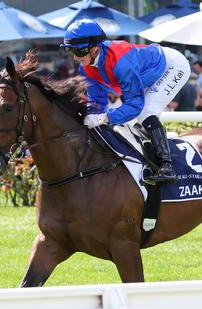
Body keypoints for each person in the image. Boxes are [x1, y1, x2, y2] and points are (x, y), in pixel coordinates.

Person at [60, 18, 190, 184]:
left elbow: (135, 105)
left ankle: (167, 166)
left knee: (145, 111)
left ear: (95, 48)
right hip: (147, 75)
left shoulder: (121, 63)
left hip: (172, 65)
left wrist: (104, 118)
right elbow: (97, 100)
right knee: (130, 123)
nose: (76, 57)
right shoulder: (85, 67)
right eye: (72, 51)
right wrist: (90, 117)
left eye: (80, 51)